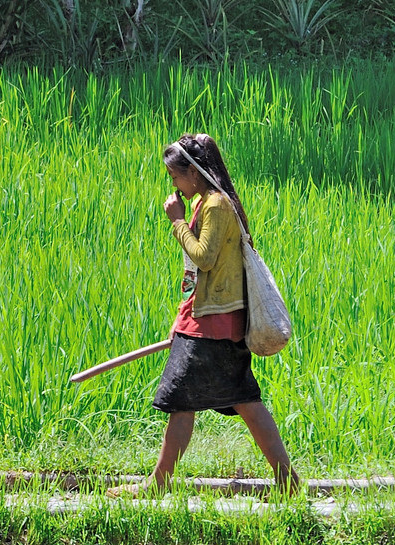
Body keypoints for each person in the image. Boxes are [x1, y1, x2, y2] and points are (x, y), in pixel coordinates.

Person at [115, 133, 300, 495]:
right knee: (243, 400)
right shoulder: (209, 202)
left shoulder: (215, 205)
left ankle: (159, 483)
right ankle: (287, 480)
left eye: (175, 175)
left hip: (212, 326)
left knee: (186, 403)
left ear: (194, 172)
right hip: (208, 321)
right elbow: (198, 276)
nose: (173, 183)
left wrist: (177, 222)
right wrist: (180, 320)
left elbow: (204, 257)